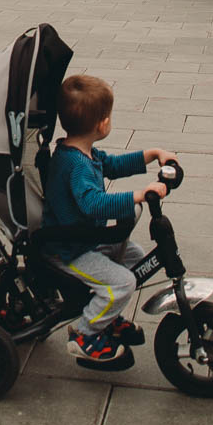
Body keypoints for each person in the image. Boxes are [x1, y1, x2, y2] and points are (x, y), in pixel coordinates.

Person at [45, 74, 177, 364]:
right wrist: (138, 196)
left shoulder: (81, 151)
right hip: (71, 250)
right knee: (123, 283)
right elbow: (92, 204)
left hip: (86, 239)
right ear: (102, 123)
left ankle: (108, 316)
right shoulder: (74, 164)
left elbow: (114, 165)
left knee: (136, 258)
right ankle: (85, 333)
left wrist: (152, 154)